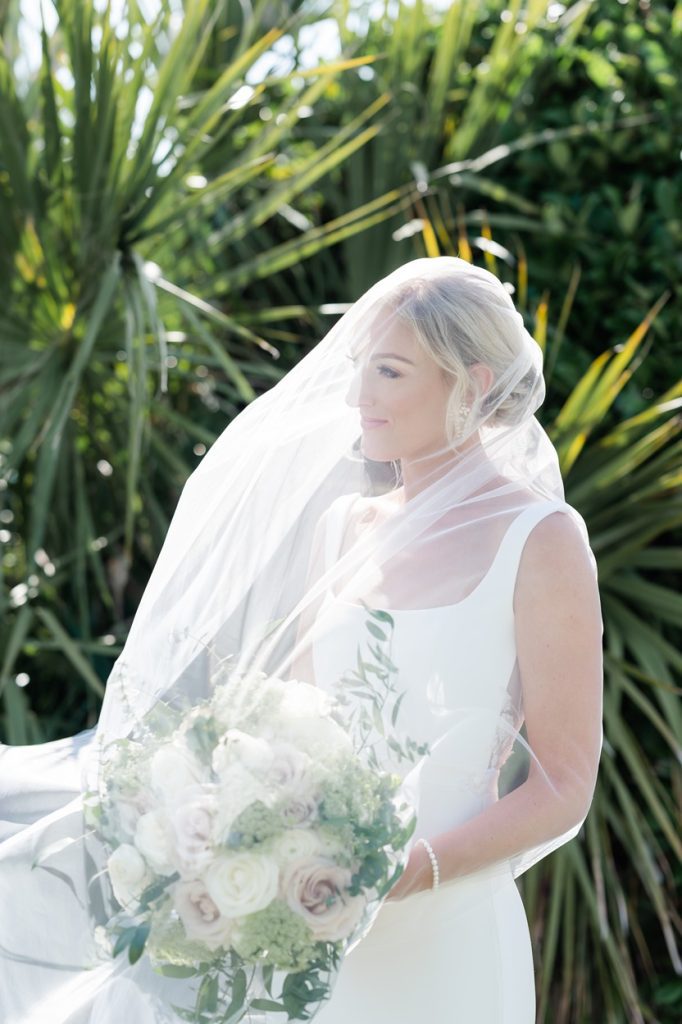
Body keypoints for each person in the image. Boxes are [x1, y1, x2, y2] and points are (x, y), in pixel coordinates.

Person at [0, 257, 603, 1023]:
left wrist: (407, 873)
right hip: (310, 932)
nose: (358, 398)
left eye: (389, 373)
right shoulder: (343, 528)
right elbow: (296, 728)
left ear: (474, 384)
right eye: (360, 369)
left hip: (450, 937)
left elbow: (563, 783)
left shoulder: (542, 540)